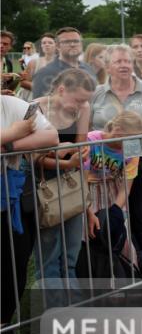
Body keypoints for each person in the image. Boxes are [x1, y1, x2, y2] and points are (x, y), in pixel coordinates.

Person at [90, 45, 142, 276]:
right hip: (101, 164)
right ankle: (107, 268)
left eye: (127, 61)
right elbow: (89, 126)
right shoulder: (97, 92)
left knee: (139, 215)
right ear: (108, 66)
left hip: (134, 157)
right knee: (105, 216)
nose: (124, 65)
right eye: (118, 61)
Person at [29, 69, 97, 299]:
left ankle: (74, 308)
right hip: (43, 189)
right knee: (48, 258)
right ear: (61, 90)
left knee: (70, 255)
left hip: (71, 187)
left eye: (85, 101)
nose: (81, 105)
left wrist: (80, 153)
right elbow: (32, 158)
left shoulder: (84, 108)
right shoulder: (36, 109)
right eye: (78, 100)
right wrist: (65, 161)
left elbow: (79, 147)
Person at [1, 94, 58, 334]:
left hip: (10, 197)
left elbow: (50, 137)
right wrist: (13, 131)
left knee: (15, 263)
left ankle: (3, 324)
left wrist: (10, 144)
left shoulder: (10, 104)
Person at [83, 110, 142, 280]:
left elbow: (127, 186)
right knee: (92, 240)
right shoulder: (91, 140)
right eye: (130, 137)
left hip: (114, 193)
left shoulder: (133, 145)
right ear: (117, 130)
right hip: (88, 194)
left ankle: (130, 279)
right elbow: (81, 181)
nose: (133, 143)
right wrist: (88, 211)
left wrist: (115, 212)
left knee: (122, 241)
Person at [31, 28, 96, 99]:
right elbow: (39, 106)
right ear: (58, 46)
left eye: (76, 41)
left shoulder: (89, 69)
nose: (72, 44)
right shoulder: (45, 73)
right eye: (67, 41)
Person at [18, 33, 57, 98]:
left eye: (50, 43)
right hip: (34, 98)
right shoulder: (33, 62)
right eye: (44, 43)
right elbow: (23, 83)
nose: (46, 44)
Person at [0, 30, 17, 96]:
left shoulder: (8, 62)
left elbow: (9, 85)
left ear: (10, 47)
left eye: (5, 44)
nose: (1, 46)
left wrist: (18, 78)